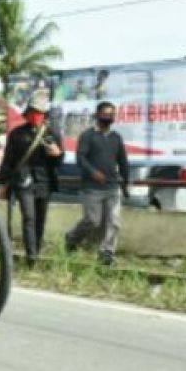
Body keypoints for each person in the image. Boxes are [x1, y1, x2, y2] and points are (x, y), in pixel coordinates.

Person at [0, 90, 63, 267]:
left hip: (44, 182)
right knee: (29, 217)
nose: (36, 116)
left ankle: (36, 251)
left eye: (39, 113)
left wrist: (57, 154)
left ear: (44, 115)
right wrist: (2, 183)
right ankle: (31, 255)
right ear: (27, 113)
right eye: (33, 112)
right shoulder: (16, 134)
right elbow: (8, 161)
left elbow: (59, 161)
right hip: (23, 181)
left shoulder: (52, 133)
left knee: (40, 218)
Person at [64, 101, 130, 265]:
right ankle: (72, 238)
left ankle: (107, 253)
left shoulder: (116, 137)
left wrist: (126, 183)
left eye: (112, 114)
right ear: (98, 115)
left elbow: (123, 161)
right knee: (92, 221)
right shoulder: (87, 136)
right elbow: (80, 159)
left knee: (113, 221)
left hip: (112, 187)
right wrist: (93, 173)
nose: (109, 117)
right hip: (91, 188)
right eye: (105, 114)